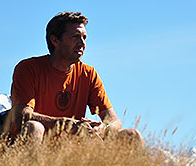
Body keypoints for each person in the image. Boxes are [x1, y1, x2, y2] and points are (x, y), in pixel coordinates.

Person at [8, 11, 143, 146]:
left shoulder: (88, 74)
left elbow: (114, 120)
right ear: (55, 40)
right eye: (75, 37)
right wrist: (65, 124)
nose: (82, 43)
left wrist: (103, 128)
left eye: (84, 38)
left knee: (133, 135)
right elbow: (22, 115)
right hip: (29, 151)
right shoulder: (28, 69)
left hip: (69, 151)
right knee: (34, 127)